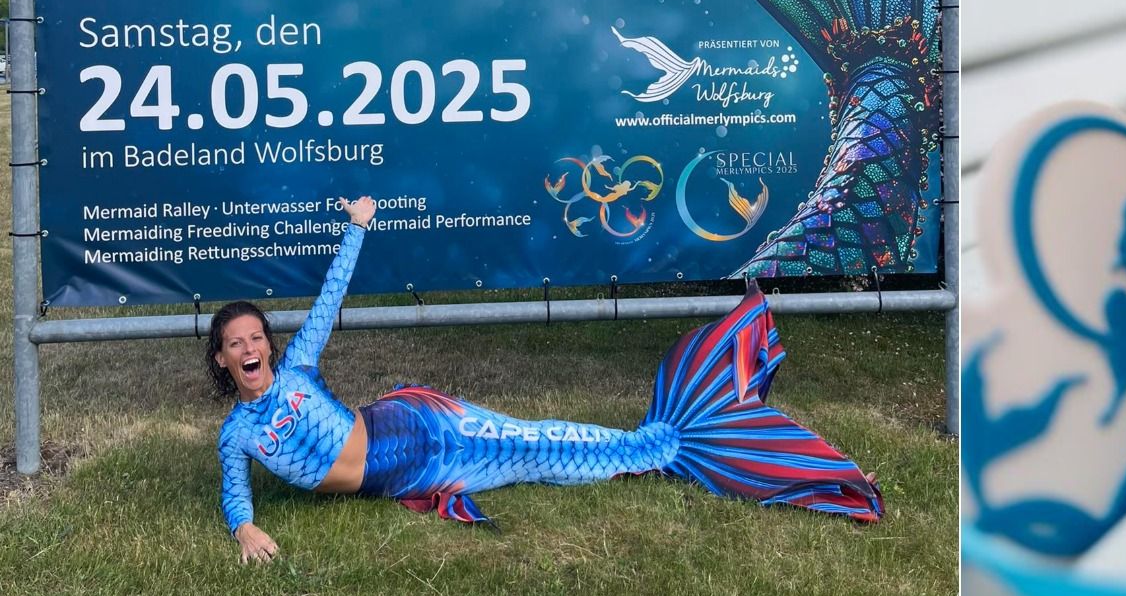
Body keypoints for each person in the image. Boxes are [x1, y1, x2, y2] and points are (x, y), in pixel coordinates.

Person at [207, 196, 882, 564]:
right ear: (222, 361)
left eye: (256, 337)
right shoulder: (236, 434)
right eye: (236, 344)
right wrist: (244, 532)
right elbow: (237, 499)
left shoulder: (297, 367)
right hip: (400, 479)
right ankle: (664, 444)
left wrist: (356, 227)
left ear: (269, 343)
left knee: (532, 444)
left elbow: (331, 298)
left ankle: (664, 443)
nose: (249, 348)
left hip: (417, 428)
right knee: (530, 460)